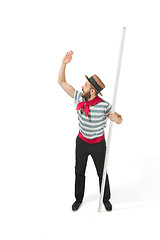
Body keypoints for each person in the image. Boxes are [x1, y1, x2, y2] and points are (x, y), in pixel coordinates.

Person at [58, 50, 123, 211]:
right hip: (81, 142)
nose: (82, 86)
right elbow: (62, 82)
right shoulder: (79, 97)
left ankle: (105, 198)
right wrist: (63, 64)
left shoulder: (104, 105)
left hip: (98, 145)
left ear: (92, 91)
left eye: (86, 85)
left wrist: (115, 118)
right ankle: (78, 199)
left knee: (102, 172)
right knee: (79, 171)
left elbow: (119, 119)